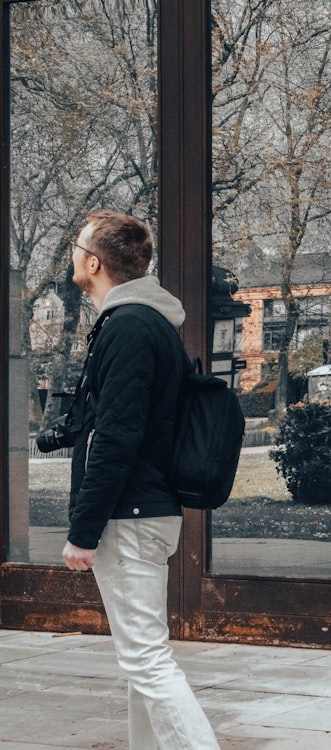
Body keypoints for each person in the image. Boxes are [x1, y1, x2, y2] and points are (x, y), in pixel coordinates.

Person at [60, 209, 220, 749]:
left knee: (148, 662)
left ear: (93, 261)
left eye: (76, 247)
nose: (73, 255)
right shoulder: (145, 322)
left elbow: (117, 436)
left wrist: (83, 529)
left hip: (130, 516)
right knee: (141, 663)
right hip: (144, 512)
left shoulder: (128, 326)